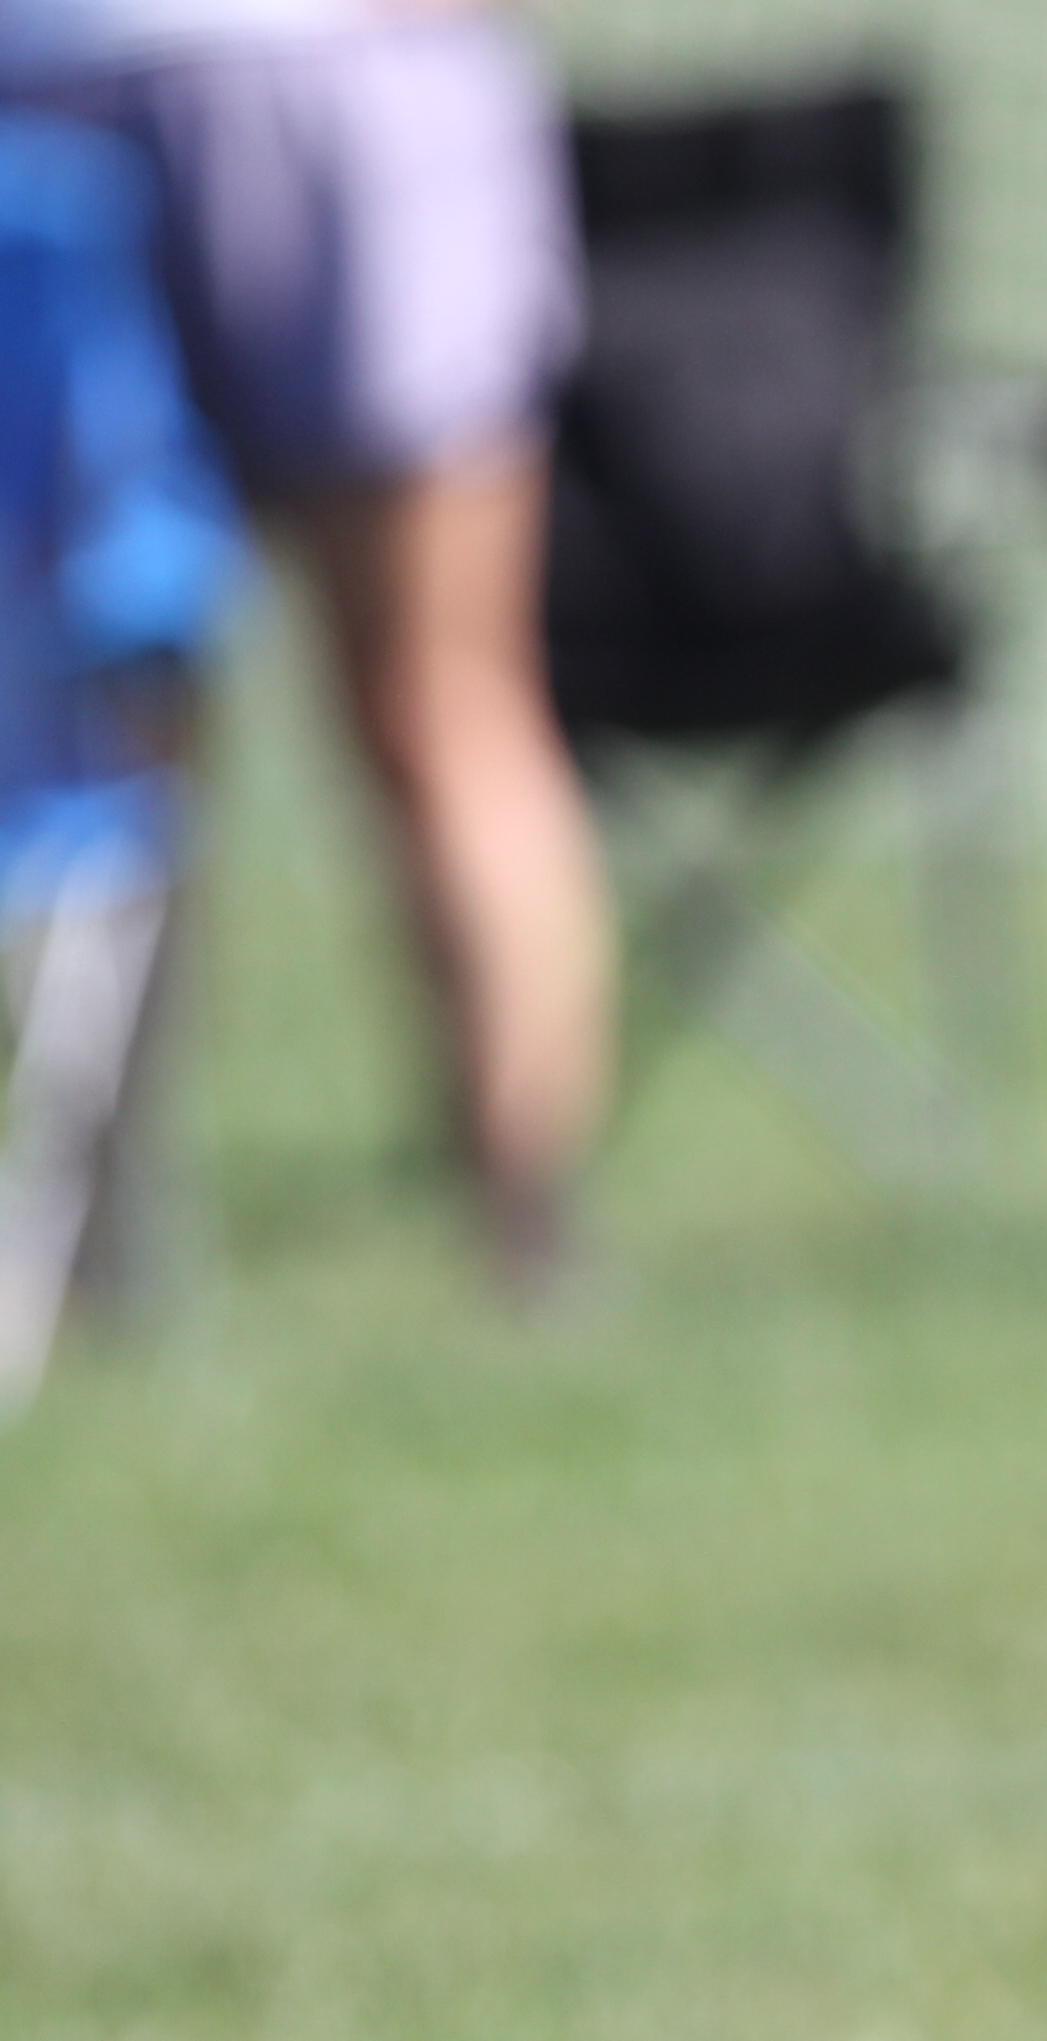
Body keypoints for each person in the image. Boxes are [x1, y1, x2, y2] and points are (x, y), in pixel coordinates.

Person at [0, 0, 613, 1294]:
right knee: (109, 716)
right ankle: (90, 1265)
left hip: (304, 76)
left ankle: (527, 1251)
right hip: (114, 88)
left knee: (438, 701)